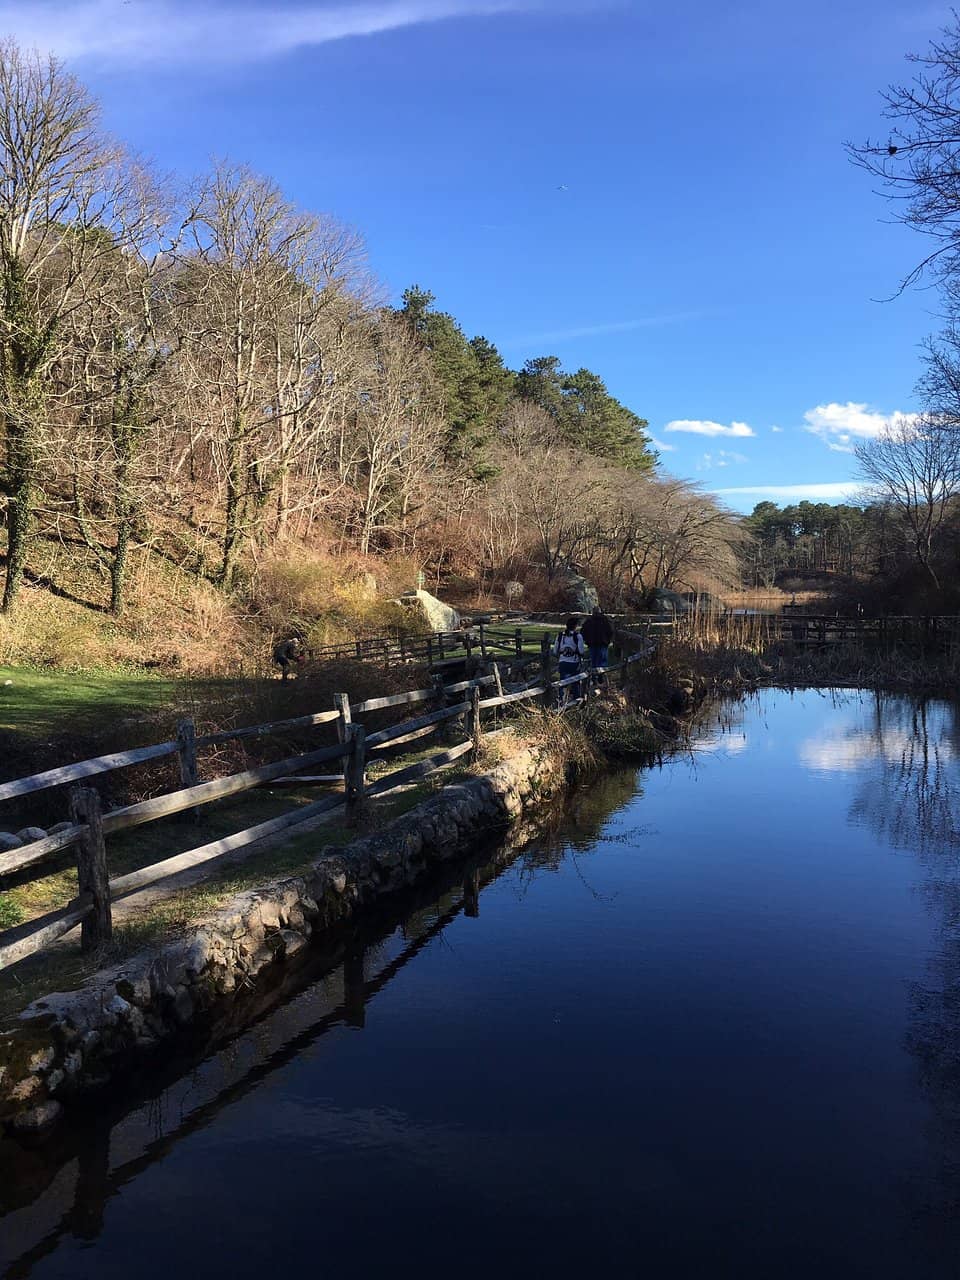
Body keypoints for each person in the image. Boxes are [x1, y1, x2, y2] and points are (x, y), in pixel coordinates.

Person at [555, 616, 586, 704]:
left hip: (563, 662)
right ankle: (575, 701)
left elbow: (555, 650)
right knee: (575, 683)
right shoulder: (578, 636)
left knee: (563, 682)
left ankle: (561, 700)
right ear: (575, 626)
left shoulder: (560, 635)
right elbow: (581, 651)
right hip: (574, 663)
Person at [580, 605, 614, 669]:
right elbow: (610, 631)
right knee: (602, 663)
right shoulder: (605, 620)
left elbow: (583, 632)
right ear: (600, 611)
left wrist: (587, 641)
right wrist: (608, 641)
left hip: (592, 644)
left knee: (594, 663)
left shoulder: (588, 621)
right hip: (603, 643)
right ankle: (601, 677)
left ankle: (594, 677)